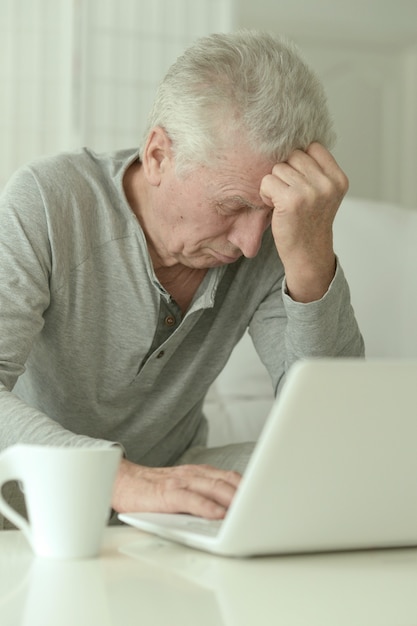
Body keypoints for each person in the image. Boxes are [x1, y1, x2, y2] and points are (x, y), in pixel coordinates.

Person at [0, 30, 364, 529]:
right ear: (158, 156)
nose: (251, 243)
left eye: (270, 211)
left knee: (343, 485)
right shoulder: (47, 201)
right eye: (232, 205)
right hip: (31, 496)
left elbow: (335, 429)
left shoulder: (280, 236)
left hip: (175, 491)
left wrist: (311, 259)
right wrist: (119, 480)